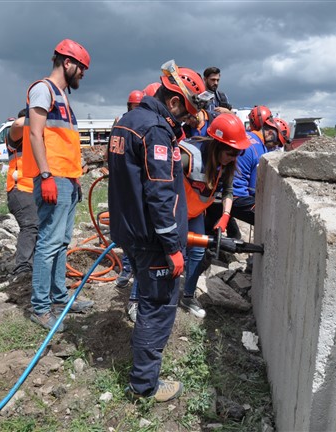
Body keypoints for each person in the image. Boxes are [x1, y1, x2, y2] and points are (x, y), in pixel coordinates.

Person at [108, 63, 208, 402]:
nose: (187, 121)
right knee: (158, 306)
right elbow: (160, 194)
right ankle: (144, 385)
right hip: (152, 239)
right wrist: (173, 247)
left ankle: (143, 370)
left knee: (148, 300)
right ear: (175, 102)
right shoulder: (155, 131)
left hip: (130, 232)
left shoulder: (127, 122)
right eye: (186, 113)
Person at [21, 39, 94, 332]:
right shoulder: (44, 90)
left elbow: (63, 142)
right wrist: (46, 175)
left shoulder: (61, 95)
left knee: (62, 242)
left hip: (67, 178)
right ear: (67, 62)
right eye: (81, 68)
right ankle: (40, 308)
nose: (83, 74)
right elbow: (35, 135)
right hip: (53, 178)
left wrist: (74, 177)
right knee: (49, 242)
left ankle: (59, 296)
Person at [179, 113, 251, 319]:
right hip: (174, 212)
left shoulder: (226, 164)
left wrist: (225, 216)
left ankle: (187, 297)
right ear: (217, 145)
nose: (234, 157)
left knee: (198, 252)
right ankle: (141, 299)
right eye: (231, 152)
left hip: (194, 213)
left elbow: (228, 191)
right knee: (166, 253)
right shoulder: (188, 157)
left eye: (239, 153)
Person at [114, 89, 145, 323]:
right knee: (130, 238)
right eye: (133, 107)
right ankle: (127, 269)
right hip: (127, 188)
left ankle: (131, 275)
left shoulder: (142, 125)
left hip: (134, 188)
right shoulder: (122, 124)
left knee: (136, 242)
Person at [226, 117, 291, 226]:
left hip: (224, 191)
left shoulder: (247, 135)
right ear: (270, 133)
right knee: (272, 219)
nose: (275, 146)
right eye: (276, 142)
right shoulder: (260, 151)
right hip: (236, 197)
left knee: (233, 232)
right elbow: (254, 189)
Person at [5, 108, 38, 280]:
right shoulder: (16, 136)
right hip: (20, 189)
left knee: (40, 228)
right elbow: (18, 124)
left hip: (35, 189)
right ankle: (23, 268)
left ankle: (37, 267)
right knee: (31, 225)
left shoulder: (37, 138)